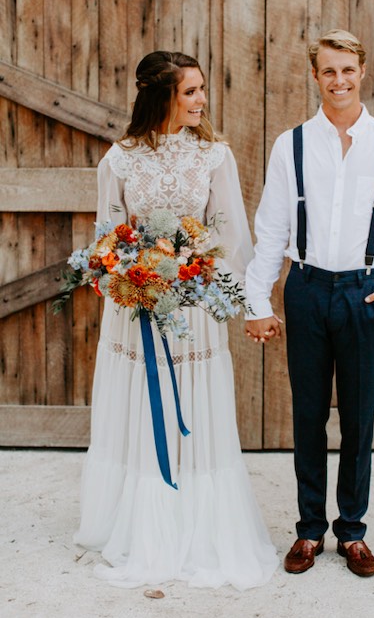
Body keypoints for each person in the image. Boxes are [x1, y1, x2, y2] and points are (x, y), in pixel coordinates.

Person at [74, 51, 278, 590]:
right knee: (141, 406)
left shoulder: (214, 157)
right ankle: (141, 521)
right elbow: (108, 236)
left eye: (202, 89)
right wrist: (132, 271)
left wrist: (190, 270)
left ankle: (198, 520)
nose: (202, 100)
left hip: (193, 303)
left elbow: (230, 233)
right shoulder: (118, 159)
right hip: (136, 307)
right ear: (161, 95)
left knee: (194, 403)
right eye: (190, 91)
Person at [245, 29, 374, 577]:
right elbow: (271, 229)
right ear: (315, 76)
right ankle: (308, 531)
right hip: (305, 288)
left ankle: (351, 531)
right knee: (307, 417)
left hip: (364, 291)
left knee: (357, 418)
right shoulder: (293, 144)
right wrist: (258, 299)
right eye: (328, 71)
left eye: (348, 69)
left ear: (363, 72)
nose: (339, 80)